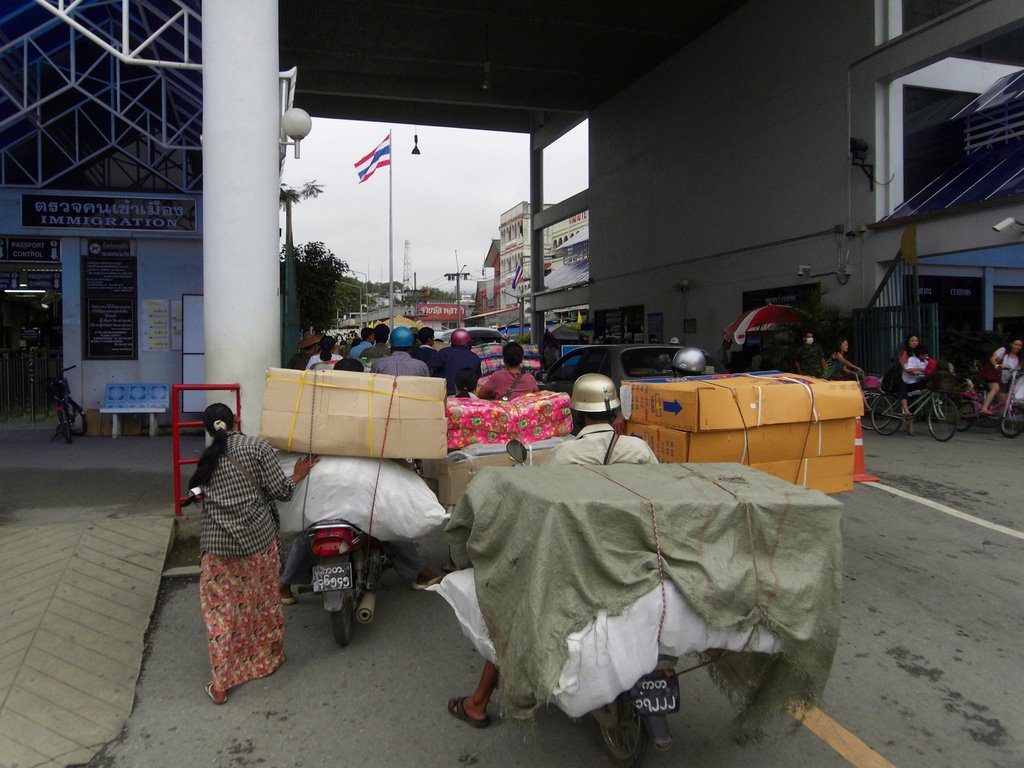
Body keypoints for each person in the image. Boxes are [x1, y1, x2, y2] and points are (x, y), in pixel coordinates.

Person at [447, 373, 656, 728]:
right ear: (616, 414)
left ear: (576, 415)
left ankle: (478, 702)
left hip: (576, 560)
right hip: (637, 554)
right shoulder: (639, 450)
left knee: (511, 603)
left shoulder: (564, 454)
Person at [188, 403, 319, 705]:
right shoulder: (257, 446)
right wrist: (298, 475)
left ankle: (220, 686)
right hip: (258, 542)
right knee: (261, 603)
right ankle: (267, 660)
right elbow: (282, 491)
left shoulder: (207, 458)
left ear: (207, 429)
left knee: (220, 614)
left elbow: (200, 495)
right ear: (236, 421)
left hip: (217, 548)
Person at [430, 328, 483, 396]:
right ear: (468, 343)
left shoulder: (443, 353)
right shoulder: (475, 357)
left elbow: (430, 370)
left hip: (444, 394)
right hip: (469, 396)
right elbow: (477, 377)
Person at [980, 338, 1023, 415]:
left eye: (1019, 345)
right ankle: (984, 408)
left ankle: (998, 419)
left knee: (1003, 403)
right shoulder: (1003, 351)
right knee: (995, 388)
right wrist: (997, 365)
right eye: (1016, 344)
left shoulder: (1019, 359)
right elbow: (993, 358)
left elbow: (1017, 372)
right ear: (1011, 344)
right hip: (992, 375)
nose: (1017, 347)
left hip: (1004, 381)